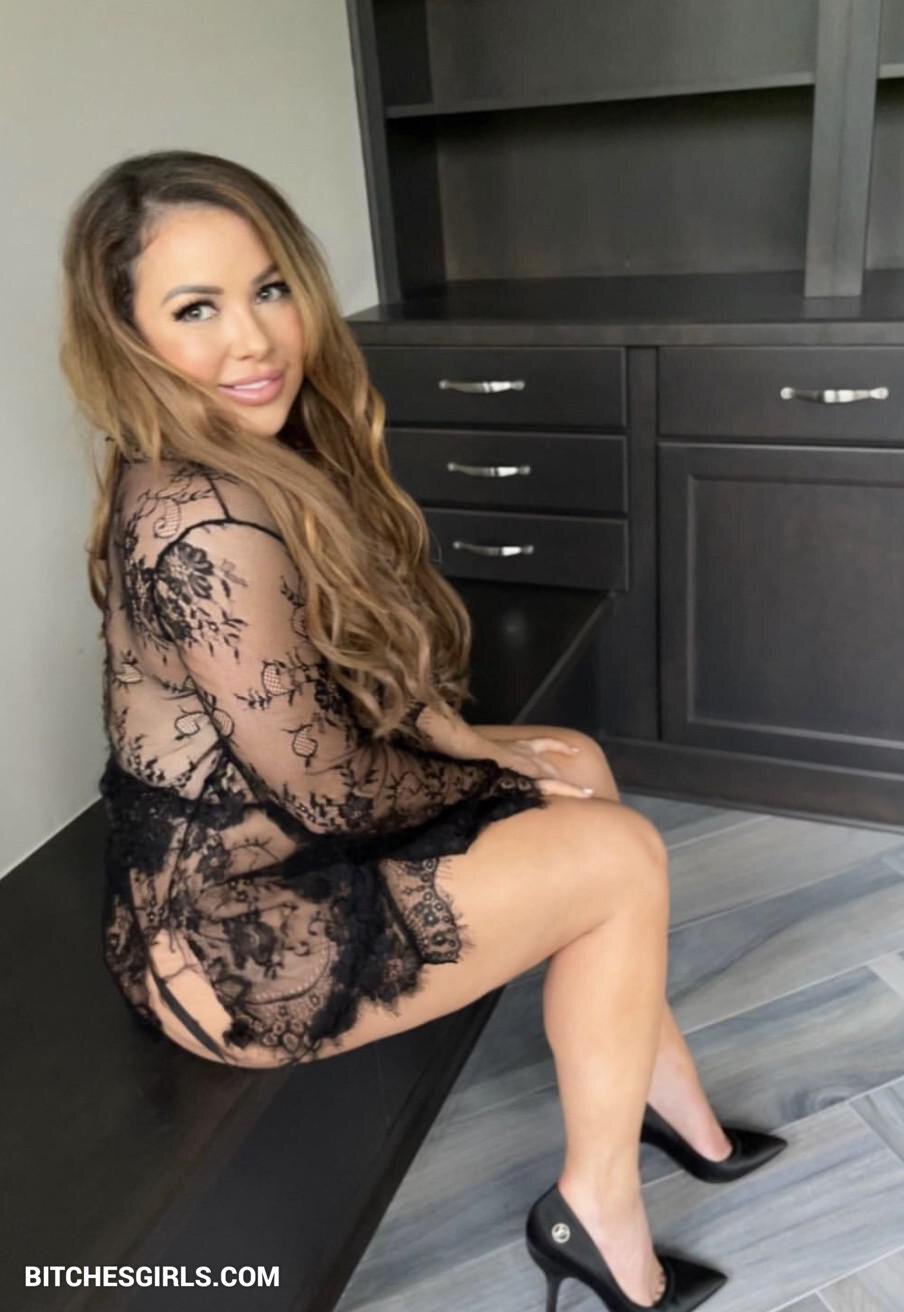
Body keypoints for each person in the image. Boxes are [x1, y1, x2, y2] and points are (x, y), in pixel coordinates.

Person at [58, 150, 785, 1312]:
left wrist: (478, 746)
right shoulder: (201, 517)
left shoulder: (264, 451)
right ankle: (595, 1211)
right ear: (127, 333)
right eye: (196, 309)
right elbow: (334, 793)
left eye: (269, 288)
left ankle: (663, 1093)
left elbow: (349, 680)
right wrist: (494, 779)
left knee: (571, 760)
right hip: (231, 939)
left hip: (276, 839)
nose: (253, 339)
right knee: (615, 853)